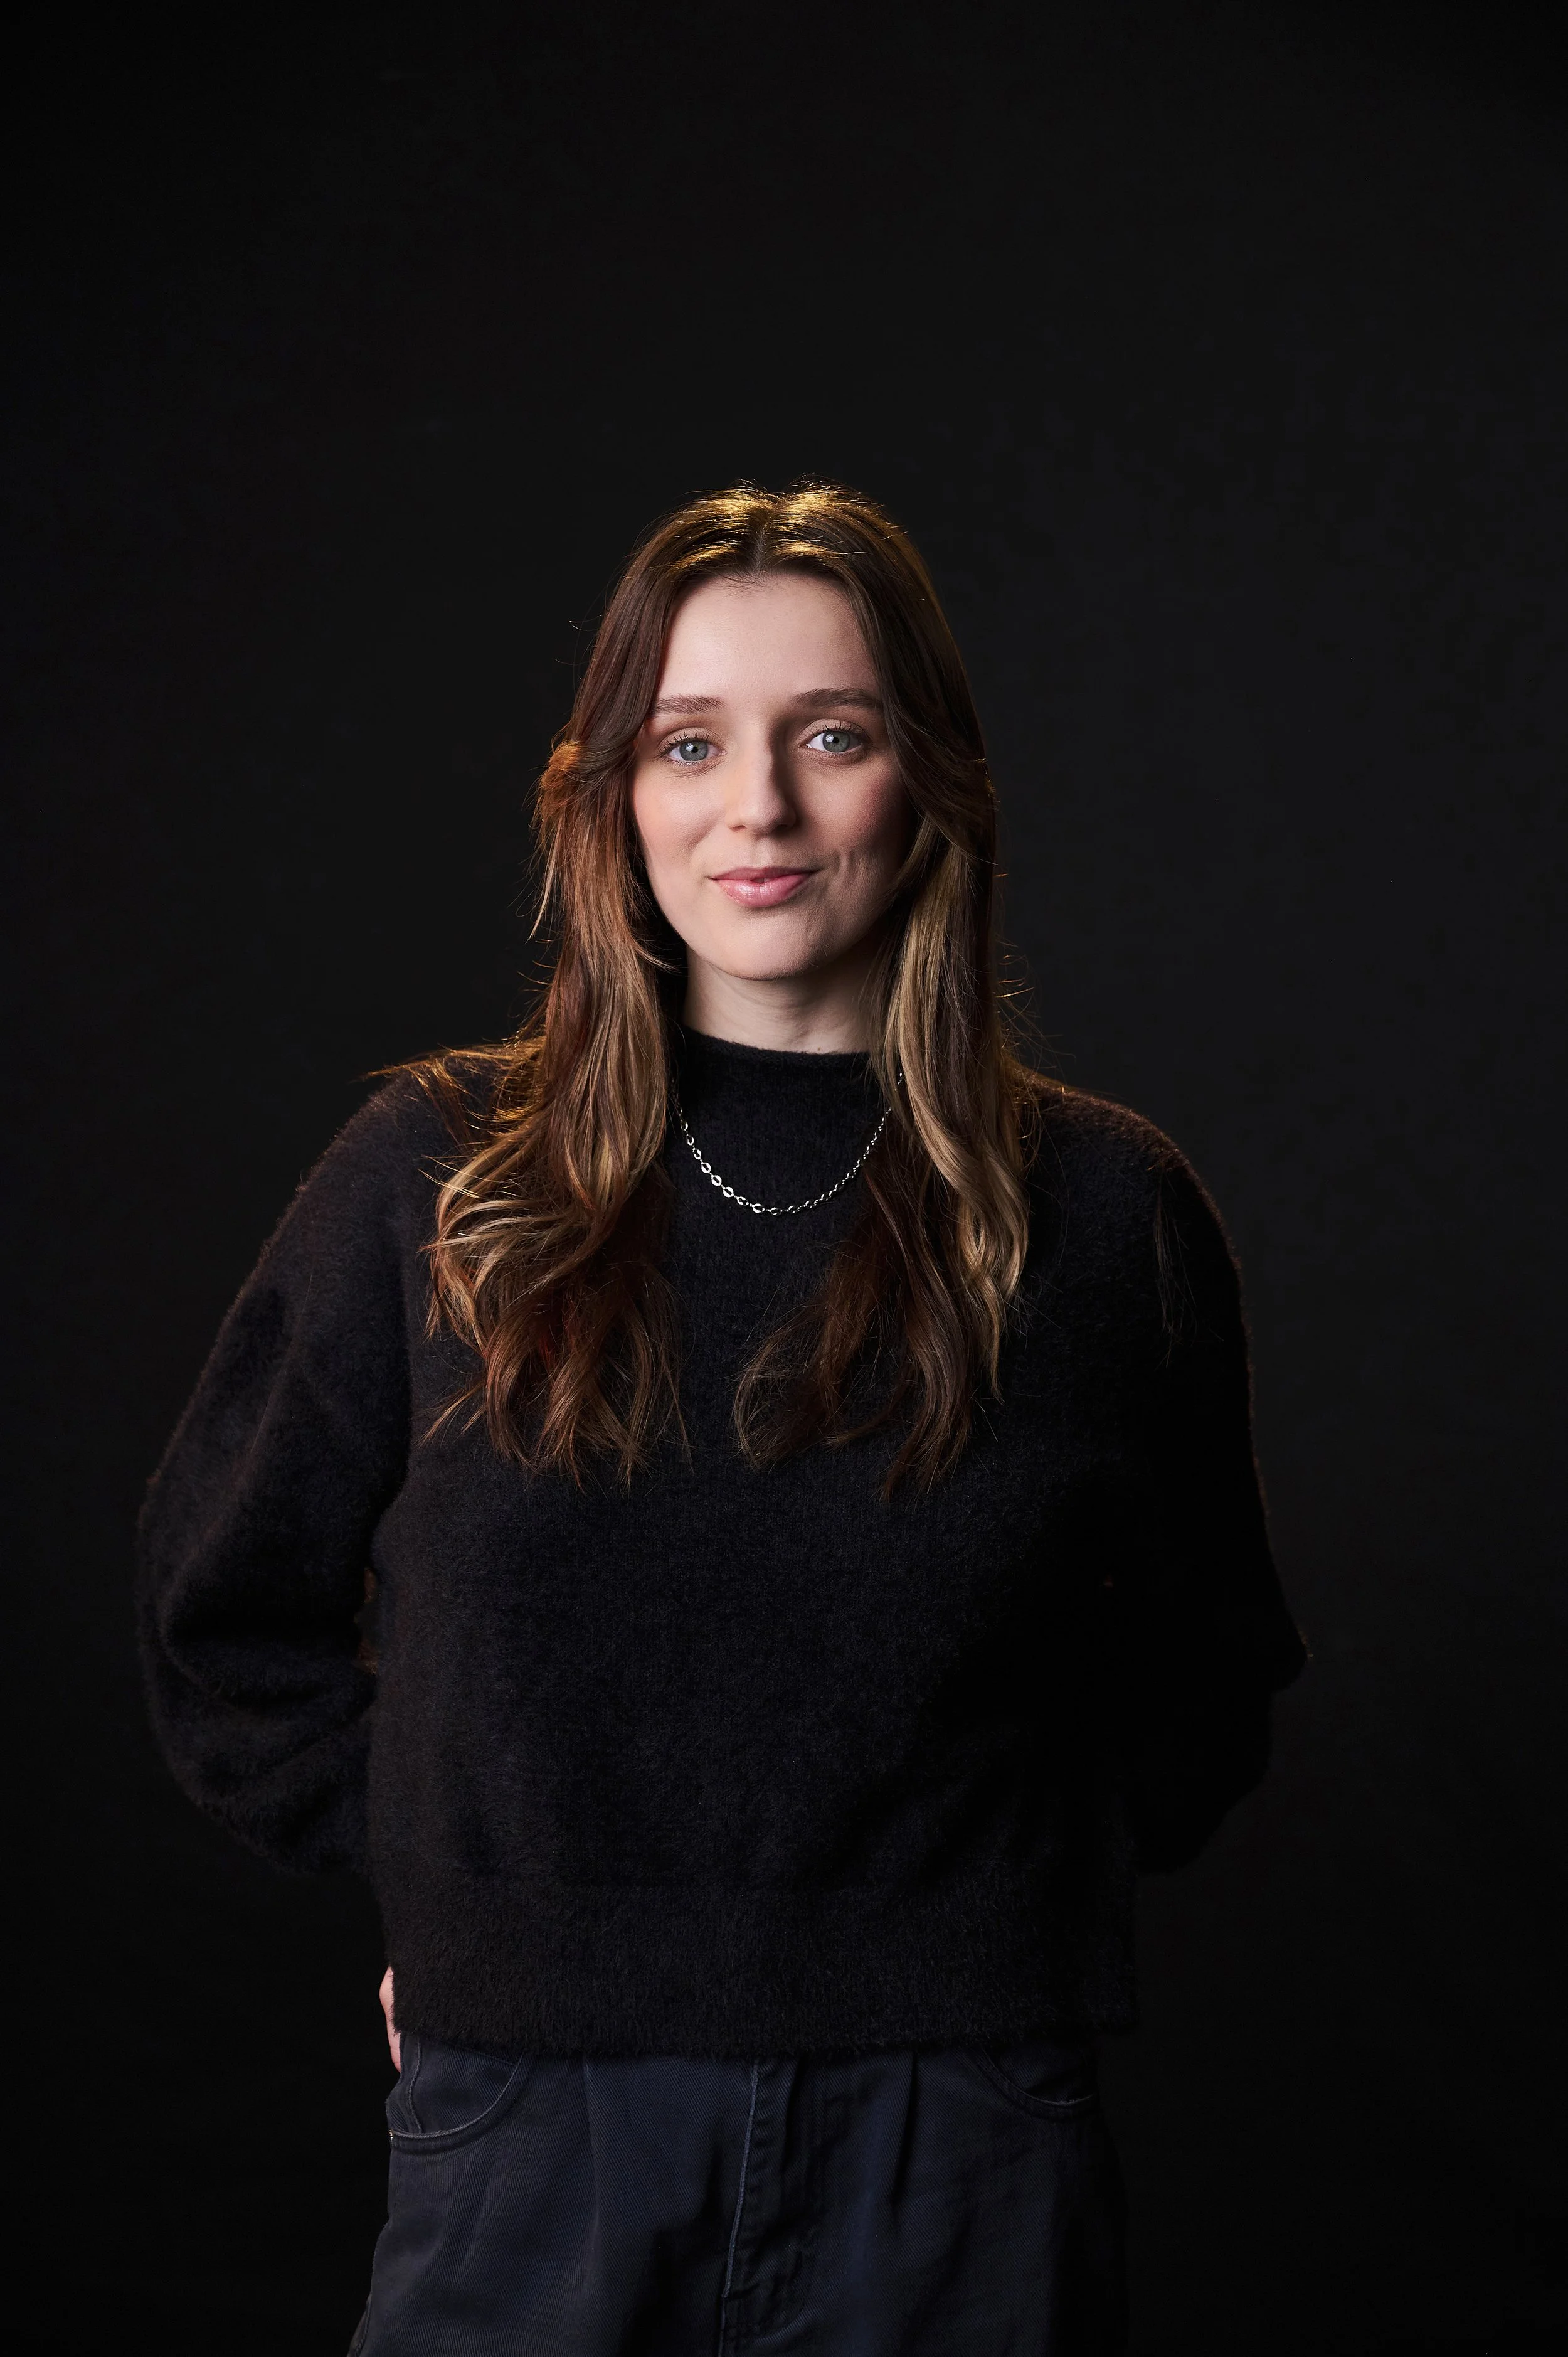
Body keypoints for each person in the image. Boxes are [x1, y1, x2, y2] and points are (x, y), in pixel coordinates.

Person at [137, 481, 1305, 2356]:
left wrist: (961, 1920)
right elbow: (223, 1620)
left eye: (826, 735)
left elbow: (1200, 1687)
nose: (752, 806)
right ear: (611, 791)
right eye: (688, 742)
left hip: (959, 2142)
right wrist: (467, 1877)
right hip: (529, 2127)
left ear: (925, 781)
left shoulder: (1096, 1213)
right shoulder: (434, 1180)